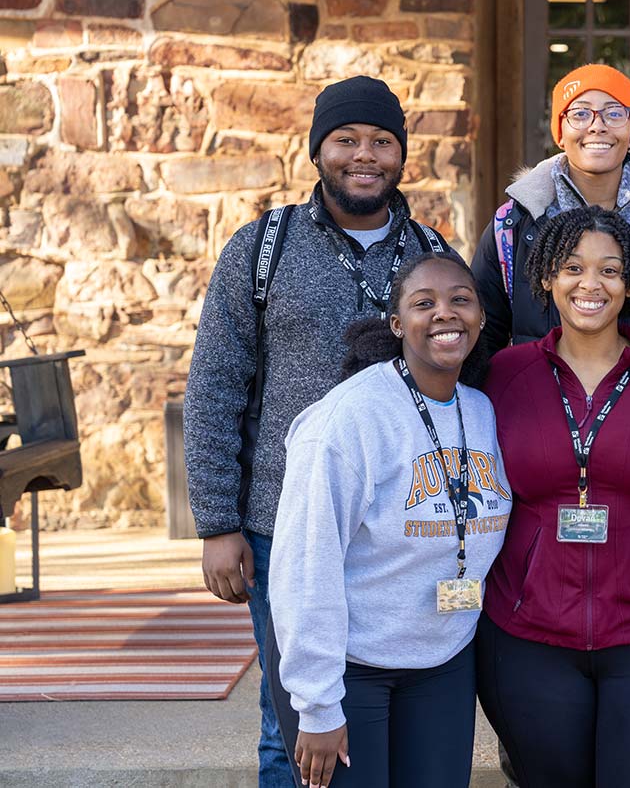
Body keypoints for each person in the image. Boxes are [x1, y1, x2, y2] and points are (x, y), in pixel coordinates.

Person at [183, 75, 452, 787]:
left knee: (384, 710)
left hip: (400, 532)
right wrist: (217, 522)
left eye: (382, 141)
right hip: (283, 526)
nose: (365, 155)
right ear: (318, 149)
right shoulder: (261, 249)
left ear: (401, 154)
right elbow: (214, 384)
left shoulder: (431, 253)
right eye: (347, 139)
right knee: (293, 723)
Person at [476, 206, 630, 788]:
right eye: (573, 268)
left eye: (610, 270)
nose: (591, 284)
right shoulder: (503, 375)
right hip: (528, 636)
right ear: (547, 280)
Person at [266, 249, 510, 788]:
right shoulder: (349, 419)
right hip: (351, 666)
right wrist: (318, 704)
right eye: (425, 303)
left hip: (443, 658)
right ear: (398, 324)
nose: (445, 313)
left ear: (481, 317)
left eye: (460, 300)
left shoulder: (480, 410)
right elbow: (306, 565)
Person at [472, 63, 630, 362]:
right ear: (560, 133)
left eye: (614, 113)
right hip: (542, 402)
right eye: (579, 113)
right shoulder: (515, 225)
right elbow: (482, 336)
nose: (597, 125)